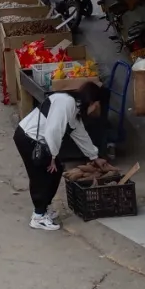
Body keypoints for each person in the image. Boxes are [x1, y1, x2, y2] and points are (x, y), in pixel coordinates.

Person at [14, 81, 102, 230]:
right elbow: (53, 130)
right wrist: (53, 156)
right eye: (96, 105)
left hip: (40, 141)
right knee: (41, 176)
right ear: (91, 101)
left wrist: (94, 156)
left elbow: (80, 134)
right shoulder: (66, 102)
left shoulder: (74, 108)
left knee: (56, 171)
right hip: (28, 138)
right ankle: (38, 216)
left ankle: (45, 207)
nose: (95, 109)